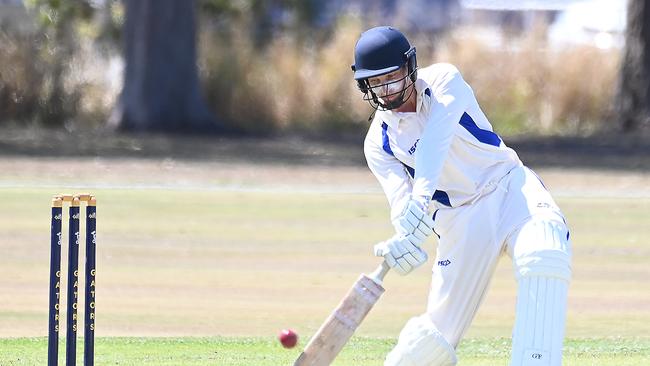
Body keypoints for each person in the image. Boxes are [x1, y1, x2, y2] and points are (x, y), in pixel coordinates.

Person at [351, 26, 572, 366]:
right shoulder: (377, 143)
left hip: (509, 189)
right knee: (430, 342)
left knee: (543, 254)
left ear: (409, 66)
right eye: (375, 83)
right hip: (458, 222)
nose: (386, 90)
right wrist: (404, 237)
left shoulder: (443, 81)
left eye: (391, 78)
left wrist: (420, 199)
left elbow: (434, 143)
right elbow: (400, 203)